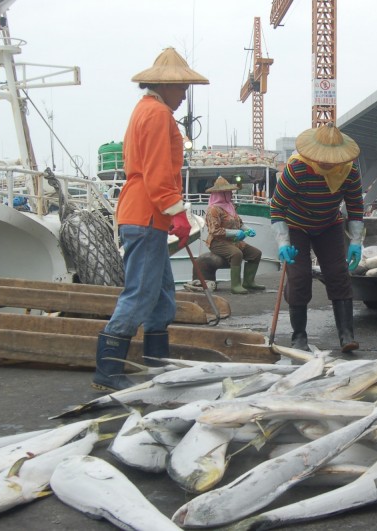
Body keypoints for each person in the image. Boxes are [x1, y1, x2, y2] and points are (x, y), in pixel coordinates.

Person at [92, 48, 209, 392]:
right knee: (142, 291)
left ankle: (157, 363)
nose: (184, 93)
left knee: (161, 293)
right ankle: (108, 368)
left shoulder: (143, 110)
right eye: (181, 87)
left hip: (142, 212)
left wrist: (170, 212)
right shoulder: (158, 115)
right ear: (164, 85)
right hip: (147, 213)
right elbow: (158, 173)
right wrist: (177, 212)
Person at [270, 123, 364, 353]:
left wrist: (355, 242)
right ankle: (299, 336)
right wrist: (283, 244)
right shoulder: (297, 170)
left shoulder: (349, 172)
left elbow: (355, 207)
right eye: (323, 158)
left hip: (329, 224)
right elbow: (277, 208)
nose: (328, 163)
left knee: (338, 274)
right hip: (296, 225)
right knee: (299, 276)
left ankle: (346, 335)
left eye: (333, 159)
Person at [204, 176, 264, 294]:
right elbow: (214, 231)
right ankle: (235, 285)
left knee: (256, 254)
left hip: (233, 240)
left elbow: (239, 223)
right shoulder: (213, 210)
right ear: (222, 194)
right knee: (236, 254)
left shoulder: (230, 206)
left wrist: (248, 229)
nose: (231, 194)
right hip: (217, 242)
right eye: (228, 192)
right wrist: (236, 232)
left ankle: (249, 282)